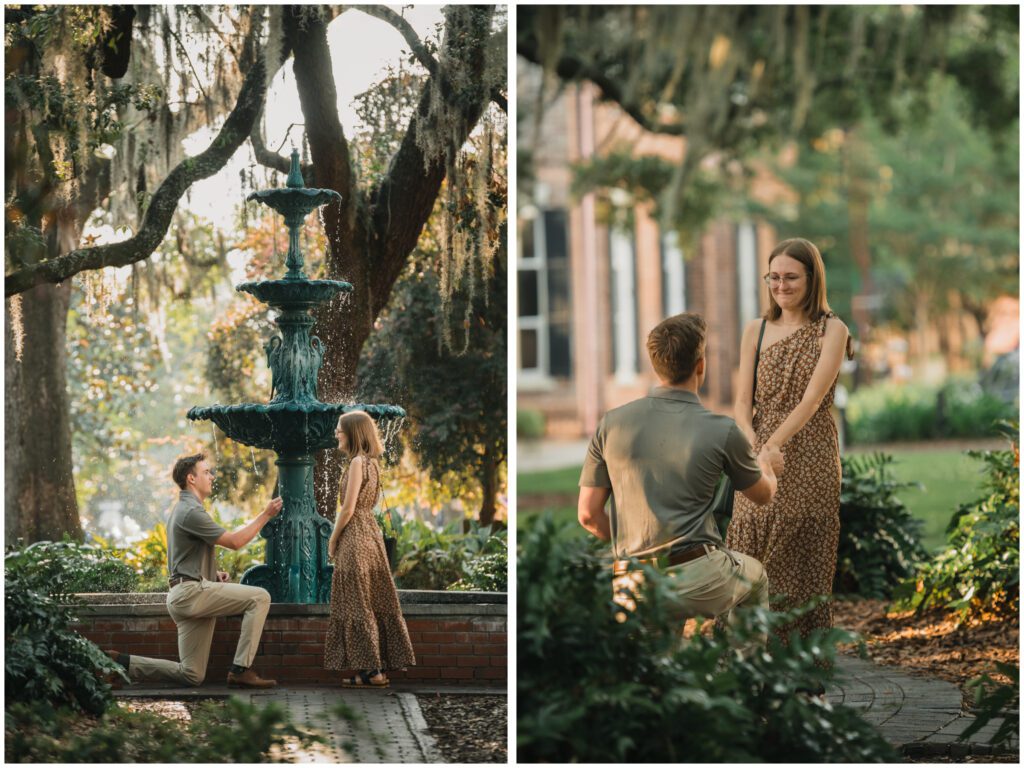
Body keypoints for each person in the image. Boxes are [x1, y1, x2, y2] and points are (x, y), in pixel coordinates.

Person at [578, 312, 783, 628]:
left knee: (656, 662)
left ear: (655, 365)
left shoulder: (611, 424)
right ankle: (746, 674)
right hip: (700, 578)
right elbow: (762, 495)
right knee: (755, 578)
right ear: (701, 365)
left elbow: (589, 515)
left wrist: (636, 554)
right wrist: (768, 466)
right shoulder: (723, 430)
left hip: (633, 582)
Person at [728, 237, 854, 645]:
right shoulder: (756, 330)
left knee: (800, 562)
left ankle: (800, 676)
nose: (781, 286)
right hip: (758, 452)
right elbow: (741, 403)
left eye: (790, 277)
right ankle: (747, 664)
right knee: (749, 551)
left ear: (812, 277)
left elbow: (812, 399)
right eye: (774, 277)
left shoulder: (832, 330)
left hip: (810, 451)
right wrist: (753, 445)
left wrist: (773, 445)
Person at [105, 452, 283, 688]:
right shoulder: (190, 511)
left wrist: (211, 573)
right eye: (206, 471)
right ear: (191, 478)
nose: (212, 476)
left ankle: (123, 663)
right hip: (191, 594)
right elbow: (235, 542)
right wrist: (266, 515)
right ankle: (241, 669)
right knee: (260, 597)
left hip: (184, 594)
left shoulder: (185, 509)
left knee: (192, 674)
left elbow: (186, 554)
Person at [324, 411, 415, 687]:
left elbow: (348, 508)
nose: (336, 434)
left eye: (340, 430)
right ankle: (373, 670)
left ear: (353, 433)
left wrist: (332, 538)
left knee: (357, 603)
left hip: (354, 537)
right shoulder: (373, 464)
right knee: (371, 600)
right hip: (370, 535)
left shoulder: (355, 463)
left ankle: (372, 670)